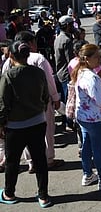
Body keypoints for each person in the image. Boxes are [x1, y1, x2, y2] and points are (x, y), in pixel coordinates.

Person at [2, 31, 64, 172]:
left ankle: (31, 162)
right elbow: (49, 80)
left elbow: (4, 81)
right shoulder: (38, 58)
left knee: (25, 137)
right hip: (40, 103)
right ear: (29, 44)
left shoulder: (9, 61)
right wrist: (55, 98)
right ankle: (48, 160)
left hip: (18, 107)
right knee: (46, 132)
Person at [0, 40, 52, 207]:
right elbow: (45, 96)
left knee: (12, 161)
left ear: (11, 56)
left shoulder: (8, 76)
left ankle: (9, 193)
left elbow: (2, 104)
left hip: (15, 126)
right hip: (37, 121)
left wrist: (1, 124)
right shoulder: (38, 72)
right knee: (40, 159)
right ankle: (43, 196)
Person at [71, 44, 101, 190]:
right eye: (96, 57)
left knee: (86, 147)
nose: (99, 59)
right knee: (98, 150)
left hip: (84, 117)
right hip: (96, 118)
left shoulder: (80, 72)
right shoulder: (92, 77)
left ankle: (87, 174)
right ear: (87, 58)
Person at [54, 15, 76, 131]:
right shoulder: (67, 40)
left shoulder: (58, 38)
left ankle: (65, 121)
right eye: (72, 24)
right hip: (67, 74)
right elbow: (71, 61)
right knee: (69, 99)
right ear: (67, 26)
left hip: (60, 73)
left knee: (64, 98)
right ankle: (68, 123)